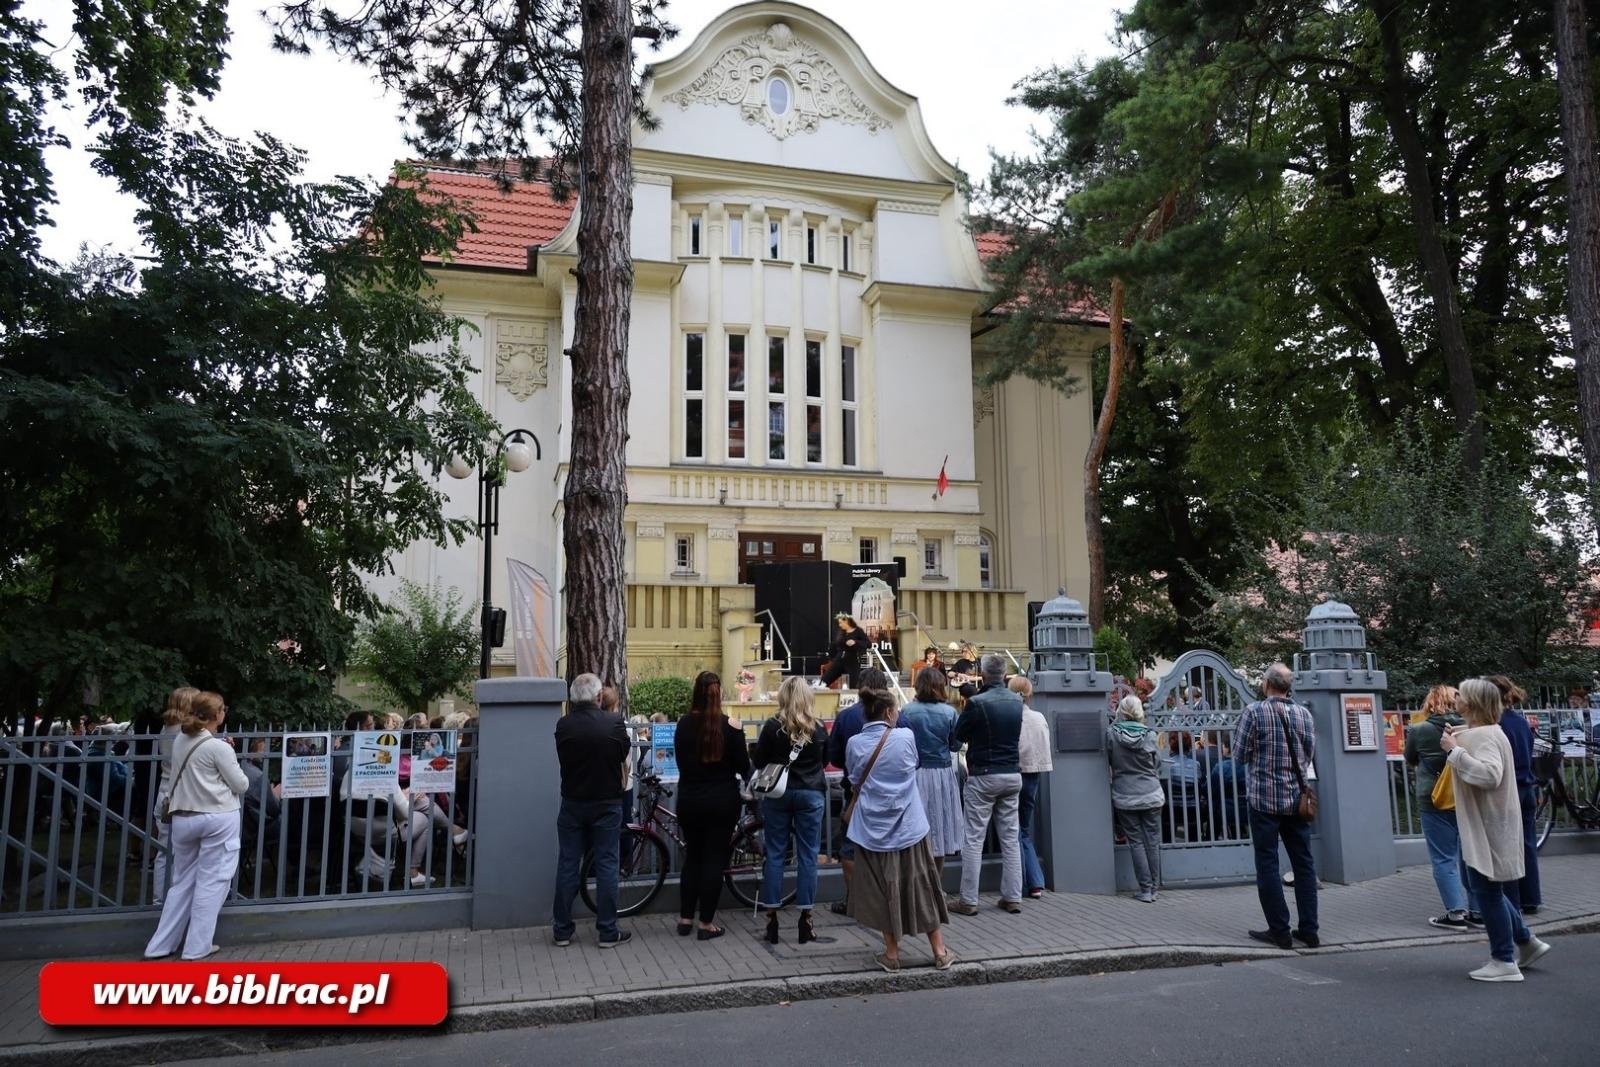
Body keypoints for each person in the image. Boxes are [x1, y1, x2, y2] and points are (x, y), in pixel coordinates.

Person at [1440, 677, 1552, 981]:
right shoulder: (1488, 731)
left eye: (1461, 695)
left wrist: (1454, 752)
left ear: (1472, 703)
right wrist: (1456, 740)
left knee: (1486, 890)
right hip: (1487, 821)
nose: (1455, 698)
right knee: (1483, 886)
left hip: (1487, 823)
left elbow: (1490, 775)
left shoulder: (1485, 735)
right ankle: (1526, 941)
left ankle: (1503, 960)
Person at [845, 691, 956, 971]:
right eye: (895, 710)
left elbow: (854, 778)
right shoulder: (905, 737)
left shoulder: (854, 744)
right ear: (888, 713)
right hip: (908, 825)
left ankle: (892, 953)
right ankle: (939, 950)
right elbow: (914, 765)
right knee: (922, 884)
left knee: (881, 890)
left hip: (872, 829)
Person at [144, 691, 248, 960]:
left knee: (181, 883)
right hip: (217, 817)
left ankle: (160, 945)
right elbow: (241, 784)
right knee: (213, 882)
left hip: (183, 817)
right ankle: (196, 947)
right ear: (217, 715)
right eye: (223, 709)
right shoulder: (219, 747)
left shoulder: (180, 739)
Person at [1235, 663, 1319, 949]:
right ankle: (1309, 929)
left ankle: (1279, 930)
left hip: (1264, 799)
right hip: (1297, 800)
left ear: (1266, 684)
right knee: (1304, 864)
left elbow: (1239, 754)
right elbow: (1309, 753)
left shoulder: (1254, 712)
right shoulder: (1304, 714)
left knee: (1268, 863)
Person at [551, 673, 632, 949]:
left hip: (573, 801)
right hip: (607, 802)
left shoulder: (564, 725)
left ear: (573, 698)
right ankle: (607, 931)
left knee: (568, 863)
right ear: (599, 697)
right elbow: (622, 753)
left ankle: (562, 930)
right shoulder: (613, 722)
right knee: (607, 863)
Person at [674, 671, 751, 939]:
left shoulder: (683, 725)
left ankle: (685, 919)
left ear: (696, 692)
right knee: (714, 860)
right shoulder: (731, 726)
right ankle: (706, 923)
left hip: (690, 800)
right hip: (722, 801)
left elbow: (681, 763)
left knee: (693, 857)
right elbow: (743, 766)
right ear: (719, 694)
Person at [754, 676, 829, 944]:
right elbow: (825, 760)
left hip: (779, 794)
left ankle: (771, 919)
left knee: (775, 853)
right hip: (811, 793)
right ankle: (806, 918)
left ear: (783, 697)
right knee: (808, 855)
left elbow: (759, 760)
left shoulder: (772, 726)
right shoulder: (818, 728)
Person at [950, 653, 1024, 915]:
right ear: (1004, 675)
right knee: (1010, 839)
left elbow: (957, 737)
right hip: (1012, 773)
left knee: (973, 839)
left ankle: (969, 900)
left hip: (983, 774)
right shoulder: (1017, 701)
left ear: (982, 675)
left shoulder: (976, 703)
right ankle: (1013, 897)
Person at [826, 667, 893, 914]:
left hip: (855, 793)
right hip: (891, 794)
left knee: (850, 847)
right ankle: (888, 897)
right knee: (888, 845)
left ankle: (855, 901)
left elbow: (834, 756)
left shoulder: (846, 717)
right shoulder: (897, 717)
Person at [1404, 684, 1470, 930]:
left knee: (1443, 858)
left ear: (1431, 703)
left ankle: (1456, 913)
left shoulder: (1419, 730)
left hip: (1433, 799)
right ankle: (1478, 910)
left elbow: (1410, 758)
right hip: (1466, 797)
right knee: (1471, 855)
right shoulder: (1469, 727)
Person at [897, 667, 962, 874]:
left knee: (915, 829)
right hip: (942, 773)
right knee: (940, 830)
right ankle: (936, 883)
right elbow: (956, 745)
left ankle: (917, 882)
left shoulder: (907, 711)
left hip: (915, 773)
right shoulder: (949, 712)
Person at [1486, 675, 1542, 916]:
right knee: (1527, 844)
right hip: (1527, 788)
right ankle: (1531, 898)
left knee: (1506, 848)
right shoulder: (1520, 722)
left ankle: (1512, 902)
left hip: (1509, 791)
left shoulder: (1496, 725)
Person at [1108, 694, 1164, 902]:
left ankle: (1145, 889)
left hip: (1125, 795)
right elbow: (1157, 763)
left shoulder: (1112, 734)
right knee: (1152, 842)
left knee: (1136, 842)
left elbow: (1108, 760)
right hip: (1151, 794)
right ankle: (1154, 889)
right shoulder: (1150, 735)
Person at [151, 687, 199, 905]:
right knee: (184, 852)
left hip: (165, 790)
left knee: (164, 850)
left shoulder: (166, 728)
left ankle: (160, 899)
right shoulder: (186, 731)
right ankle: (177, 900)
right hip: (182, 793)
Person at [1010, 675, 1053, 898]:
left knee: (1012, 831)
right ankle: (1035, 882)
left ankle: (1020, 882)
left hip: (1012, 774)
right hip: (1033, 775)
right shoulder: (1039, 717)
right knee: (1023, 830)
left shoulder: (1010, 718)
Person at [820, 614, 869, 689]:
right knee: (825, 680)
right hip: (839, 659)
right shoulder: (841, 632)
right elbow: (834, 645)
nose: (839, 625)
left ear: (847, 622)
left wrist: (855, 642)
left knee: (855, 684)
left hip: (852, 660)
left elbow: (868, 643)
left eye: (841, 623)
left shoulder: (858, 631)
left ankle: (855, 694)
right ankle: (820, 687)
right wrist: (832, 657)